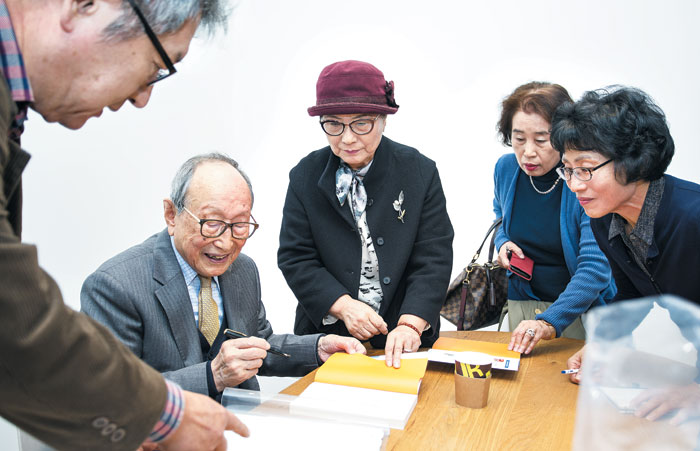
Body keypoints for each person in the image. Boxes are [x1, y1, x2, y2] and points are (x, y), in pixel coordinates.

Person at [0, 1, 249, 449]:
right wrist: (164, 414)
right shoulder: (119, 281)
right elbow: (12, 315)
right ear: (85, 6)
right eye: (156, 66)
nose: (141, 97)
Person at [82, 153, 365, 398]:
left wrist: (317, 348)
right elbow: (112, 394)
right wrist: (212, 375)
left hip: (239, 428)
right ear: (171, 215)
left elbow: (258, 344)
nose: (226, 243)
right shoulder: (114, 285)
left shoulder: (243, 269)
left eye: (240, 224)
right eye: (212, 223)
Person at [277, 60, 454, 368]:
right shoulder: (304, 176)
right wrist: (343, 306)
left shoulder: (419, 171)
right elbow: (296, 257)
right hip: (329, 337)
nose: (347, 138)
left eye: (361, 124)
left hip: (403, 335)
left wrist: (411, 323)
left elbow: (433, 255)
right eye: (333, 124)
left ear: (383, 120)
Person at [552, 86, 700, 419]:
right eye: (568, 170)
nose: (575, 184)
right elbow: (632, 293)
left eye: (586, 168)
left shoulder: (692, 218)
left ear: (634, 161)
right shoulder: (607, 221)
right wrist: (603, 345)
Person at [492, 82, 616, 355]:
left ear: (563, 136)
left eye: (541, 139)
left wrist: (549, 321)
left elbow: (595, 268)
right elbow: (500, 217)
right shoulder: (506, 169)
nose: (528, 152)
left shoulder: (585, 181)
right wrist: (502, 243)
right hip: (520, 306)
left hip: (576, 311)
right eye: (519, 138)